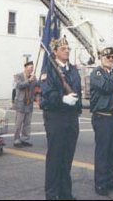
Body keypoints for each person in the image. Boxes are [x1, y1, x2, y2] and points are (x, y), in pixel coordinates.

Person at [40, 36, 82, 200]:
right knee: (55, 157)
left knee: (67, 157)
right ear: (55, 51)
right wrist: (62, 98)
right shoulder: (48, 69)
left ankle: (65, 193)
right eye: (63, 49)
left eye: (68, 48)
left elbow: (77, 87)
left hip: (71, 117)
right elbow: (47, 91)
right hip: (55, 116)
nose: (67, 51)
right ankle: (51, 194)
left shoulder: (73, 69)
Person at [89, 47, 113, 196]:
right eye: (108, 57)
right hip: (102, 116)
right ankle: (100, 183)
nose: (111, 59)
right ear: (101, 59)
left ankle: (111, 180)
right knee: (103, 151)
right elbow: (106, 87)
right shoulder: (97, 73)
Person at [13, 61, 38, 147]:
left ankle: (25, 139)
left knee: (27, 123)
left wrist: (40, 80)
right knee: (18, 123)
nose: (32, 69)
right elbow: (19, 85)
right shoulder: (18, 76)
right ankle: (16, 140)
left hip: (29, 103)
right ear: (25, 67)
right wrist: (28, 80)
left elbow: (37, 86)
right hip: (20, 103)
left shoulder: (33, 77)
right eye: (30, 67)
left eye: (32, 68)